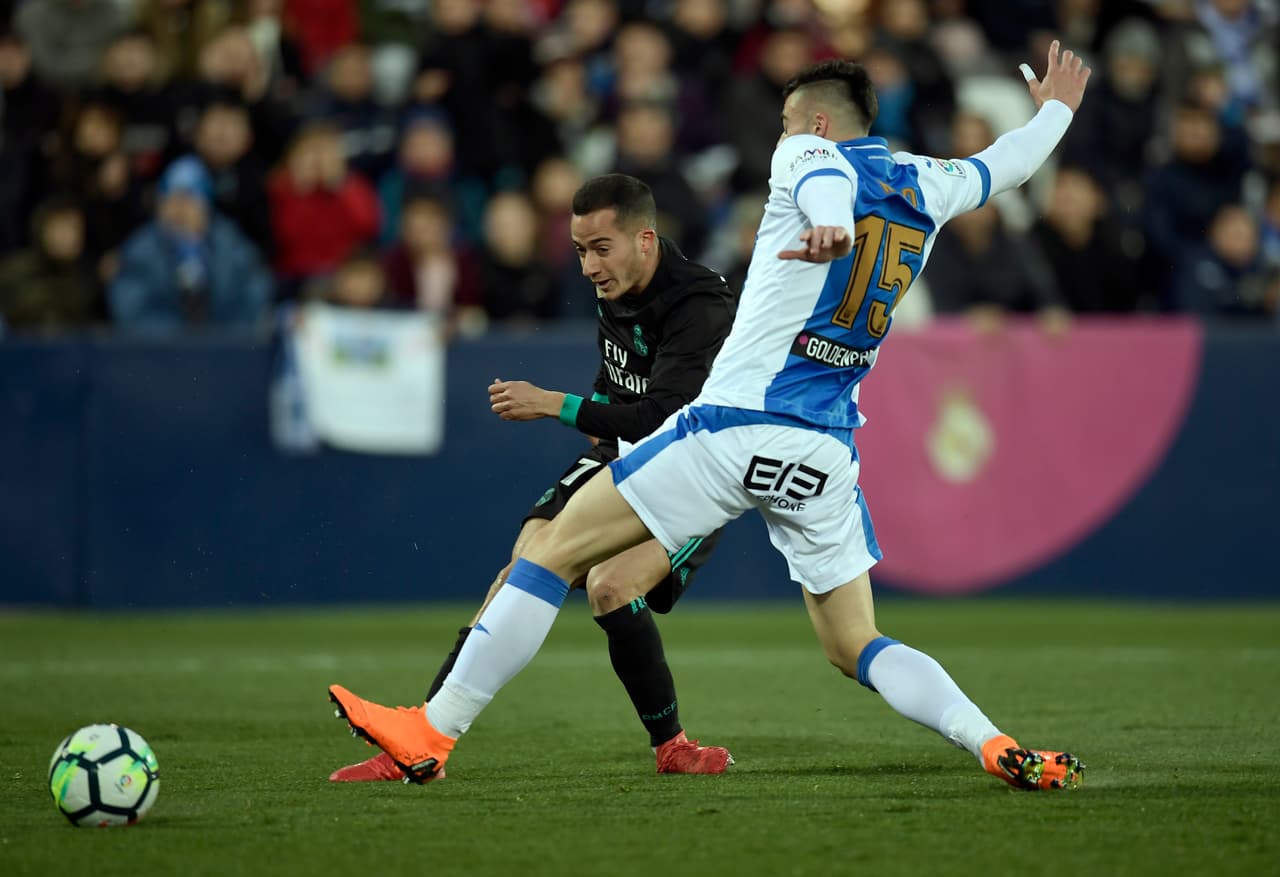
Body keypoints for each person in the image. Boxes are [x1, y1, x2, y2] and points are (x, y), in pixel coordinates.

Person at [328, 43, 1092, 792]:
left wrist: (831, 221)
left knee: (552, 550)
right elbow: (1009, 163)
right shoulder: (930, 181)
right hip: (825, 451)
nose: (782, 137)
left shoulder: (805, 155)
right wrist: (1056, 110)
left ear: (817, 123)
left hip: (736, 425)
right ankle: (992, 740)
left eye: (788, 124)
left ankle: (432, 731)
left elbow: (824, 176)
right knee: (855, 641)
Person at [328, 173, 738, 782]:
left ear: (645, 239)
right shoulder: (616, 282)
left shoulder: (699, 304)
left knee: (609, 587)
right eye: (579, 250)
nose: (589, 266)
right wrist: (596, 420)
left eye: (601, 248)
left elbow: (660, 415)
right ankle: (418, 740)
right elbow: (617, 379)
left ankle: (671, 746)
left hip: (695, 468)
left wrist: (553, 404)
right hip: (622, 451)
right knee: (523, 563)